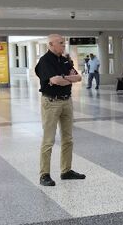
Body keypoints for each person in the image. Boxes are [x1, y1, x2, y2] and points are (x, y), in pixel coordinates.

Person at [34, 34, 85, 186]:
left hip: (66, 101)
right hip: (51, 102)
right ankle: (44, 174)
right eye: (61, 43)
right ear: (51, 44)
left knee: (68, 139)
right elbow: (55, 80)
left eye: (64, 43)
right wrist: (65, 78)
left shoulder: (65, 59)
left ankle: (66, 170)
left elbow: (78, 77)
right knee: (48, 140)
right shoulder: (45, 61)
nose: (64, 45)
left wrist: (63, 78)